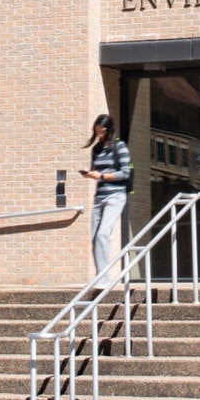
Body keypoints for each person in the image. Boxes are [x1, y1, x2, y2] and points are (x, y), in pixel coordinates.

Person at [77, 114, 133, 284]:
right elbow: (97, 171)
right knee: (95, 235)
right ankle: (101, 275)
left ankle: (104, 278)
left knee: (103, 233)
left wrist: (101, 176)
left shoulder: (120, 147)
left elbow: (125, 173)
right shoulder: (96, 149)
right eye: (97, 132)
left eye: (101, 132)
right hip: (100, 196)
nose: (99, 135)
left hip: (116, 195)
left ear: (109, 130)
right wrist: (90, 173)